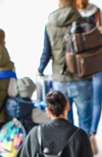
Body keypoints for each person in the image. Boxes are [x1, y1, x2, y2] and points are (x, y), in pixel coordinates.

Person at [40, 0, 94, 139]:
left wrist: (40, 69)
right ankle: (84, 150)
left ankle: (67, 153)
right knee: (85, 121)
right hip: (81, 77)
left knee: (63, 122)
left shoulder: (50, 23)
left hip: (60, 78)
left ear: (59, 4)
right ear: (74, 4)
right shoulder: (84, 20)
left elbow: (47, 51)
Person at [77, 0, 102, 155]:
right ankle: (92, 134)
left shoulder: (72, 14)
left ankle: (82, 134)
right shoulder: (96, 12)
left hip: (80, 63)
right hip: (98, 62)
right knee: (97, 100)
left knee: (83, 101)